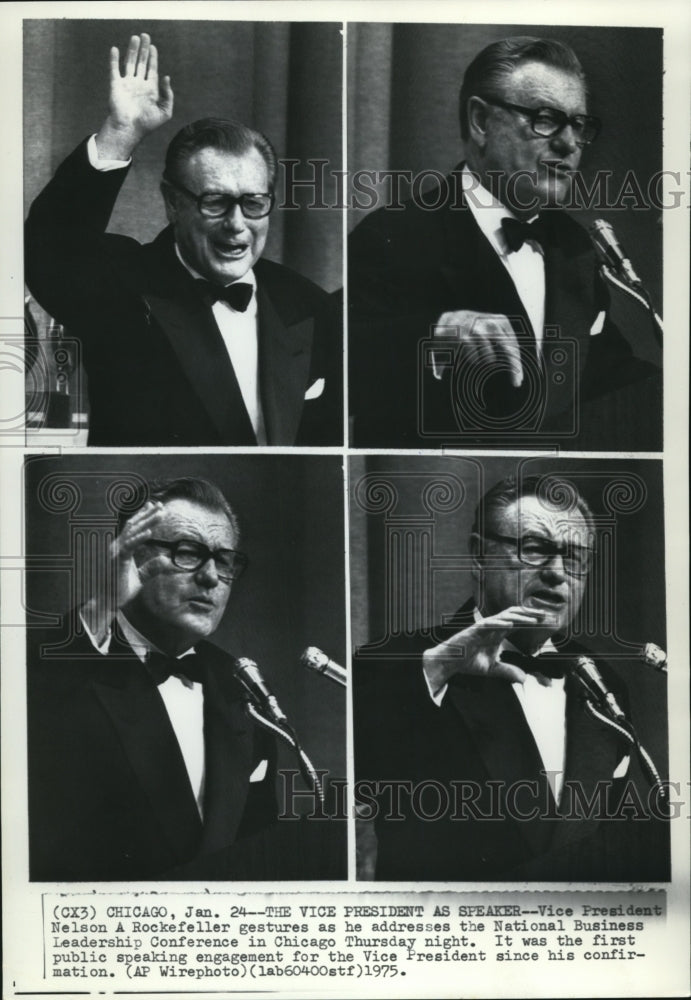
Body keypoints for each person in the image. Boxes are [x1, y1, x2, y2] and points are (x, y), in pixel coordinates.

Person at [25, 34, 340, 446]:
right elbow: (47, 249)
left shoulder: (309, 304)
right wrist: (121, 133)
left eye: (254, 203)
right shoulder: (123, 287)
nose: (237, 224)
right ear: (173, 203)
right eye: (215, 202)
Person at [348, 36, 660, 448]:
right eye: (545, 119)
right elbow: (342, 357)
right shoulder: (394, 234)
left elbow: (605, 373)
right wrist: (437, 333)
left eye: (579, 126)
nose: (569, 144)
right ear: (480, 121)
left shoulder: (576, 247)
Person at [353, 474, 669, 881]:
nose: (557, 572)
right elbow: (363, 776)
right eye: (535, 549)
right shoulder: (398, 663)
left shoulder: (602, 680)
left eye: (574, 557)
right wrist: (441, 666)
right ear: (479, 555)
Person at [27, 477, 278, 880]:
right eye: (188, 553)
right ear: (136, 559)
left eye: (225, 560)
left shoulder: (241, 685)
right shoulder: (69, 667)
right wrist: (104, 601)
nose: (212, 577)